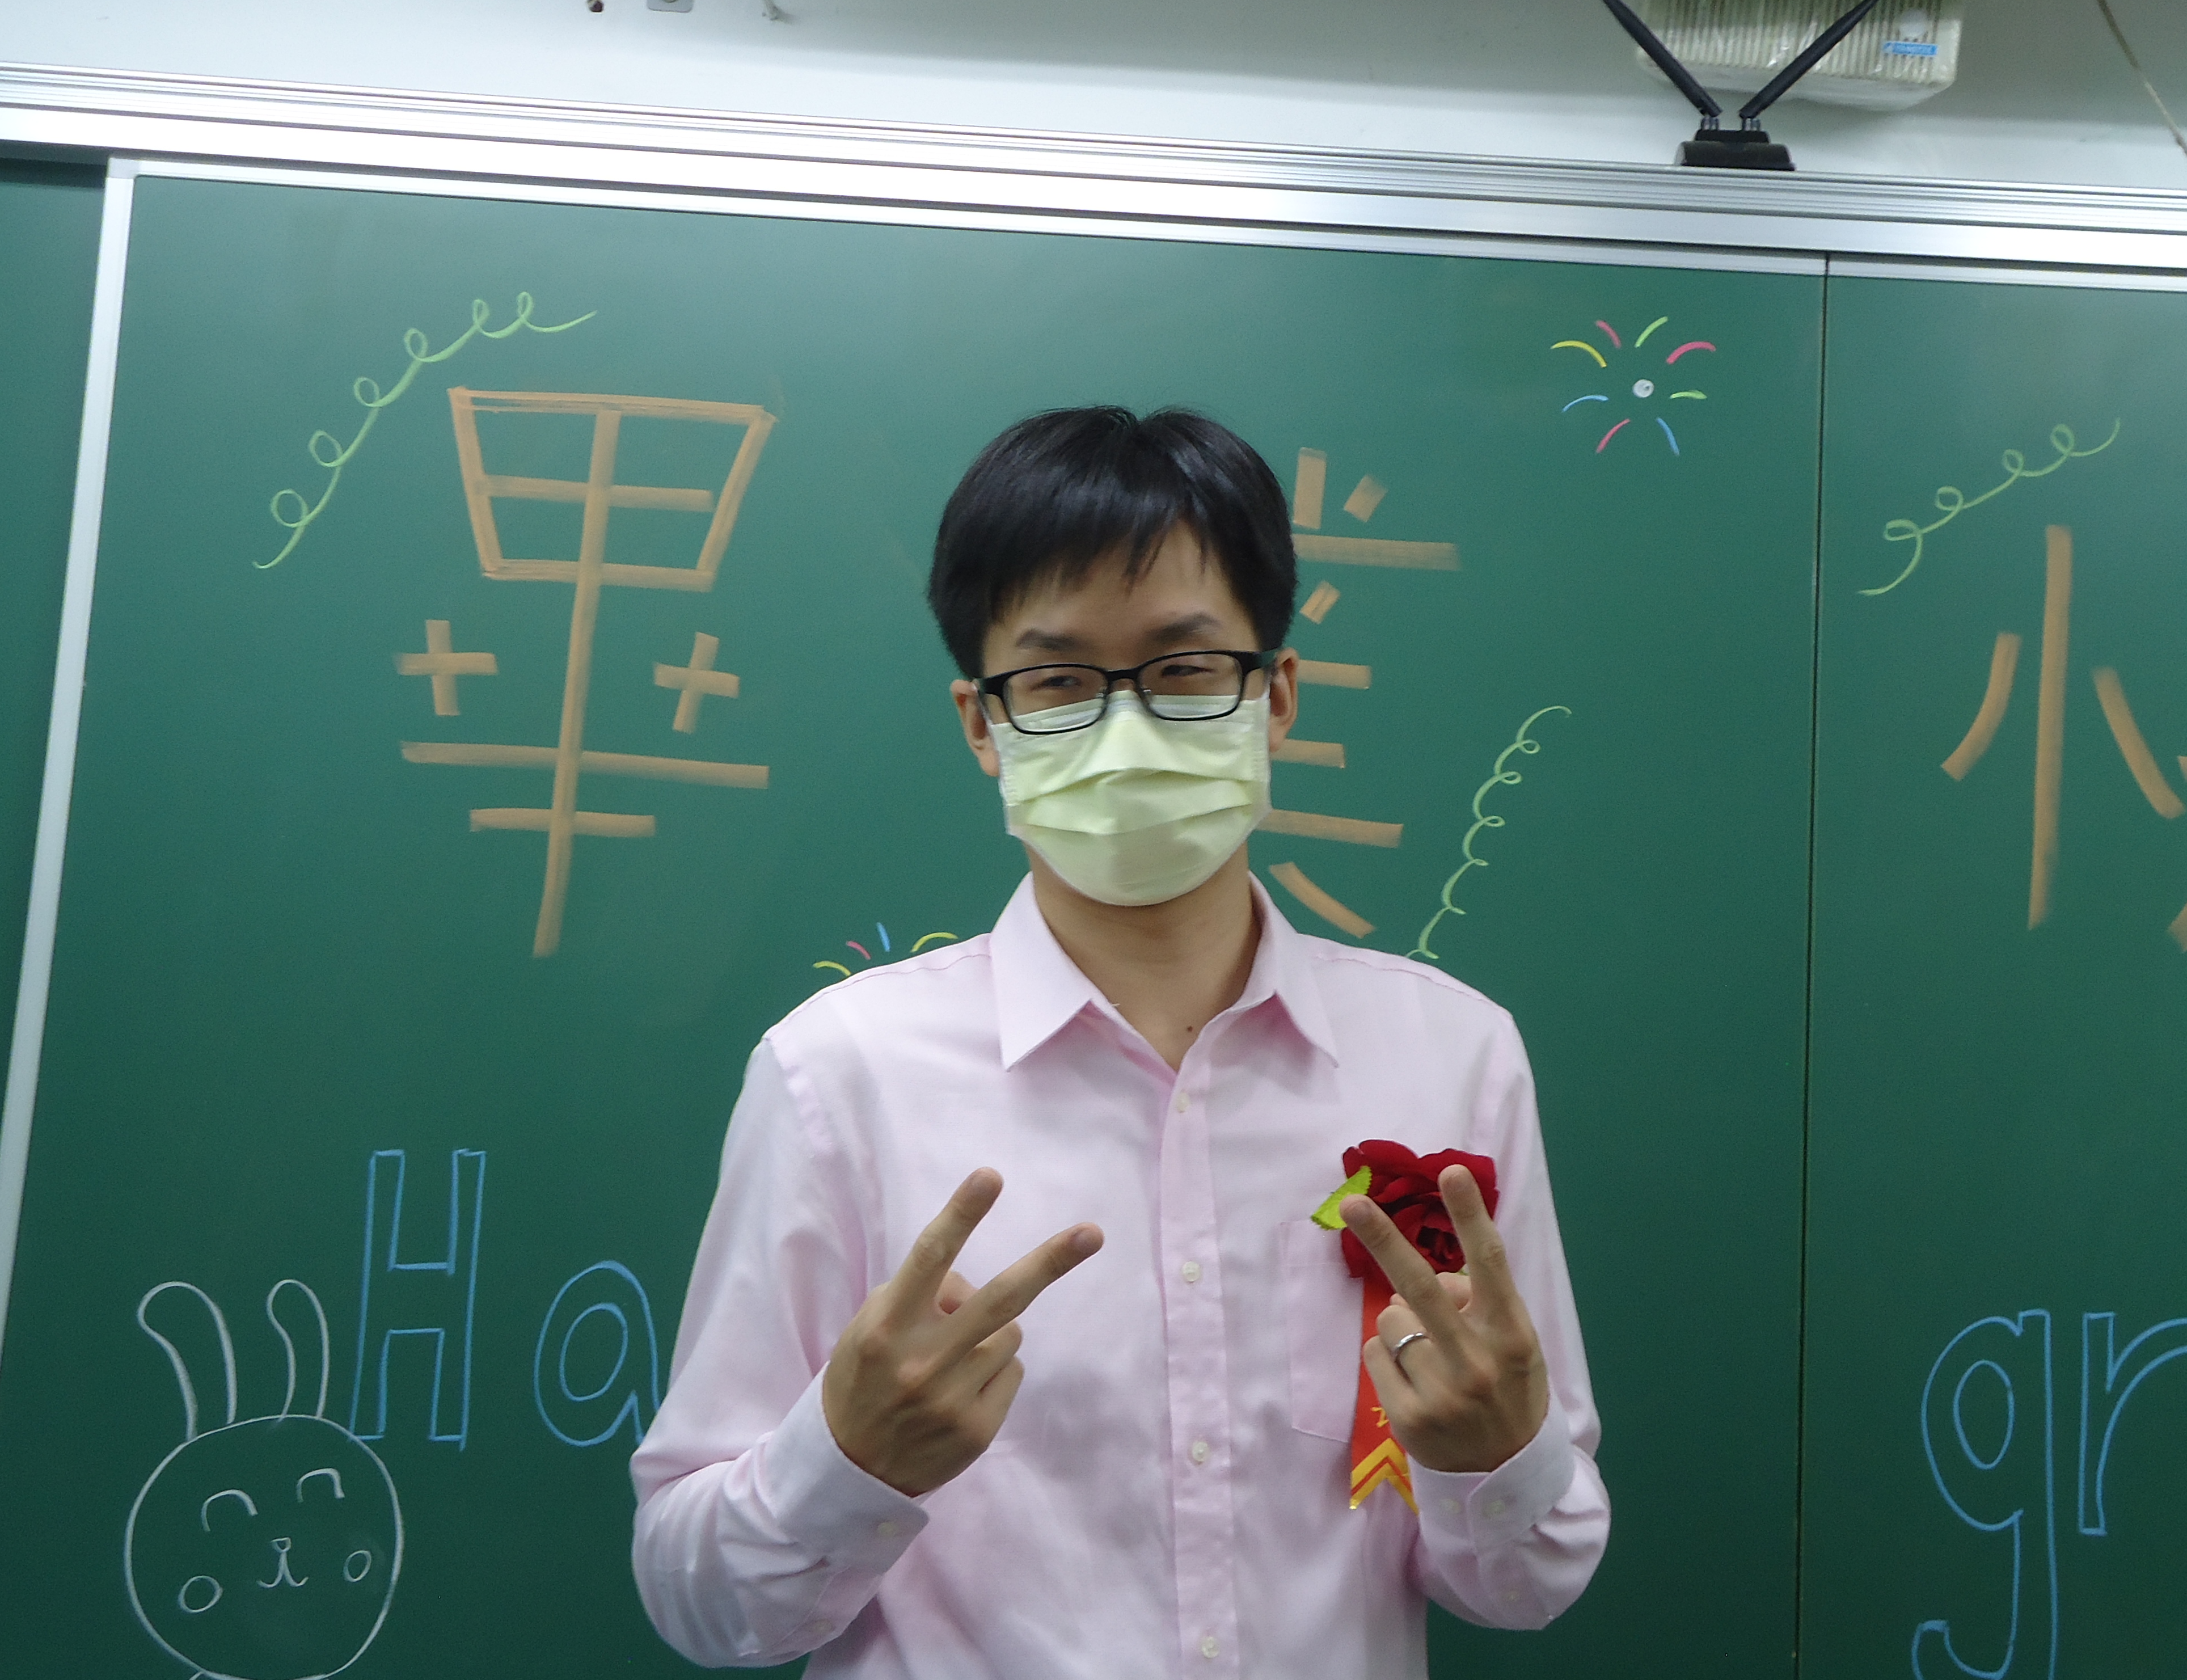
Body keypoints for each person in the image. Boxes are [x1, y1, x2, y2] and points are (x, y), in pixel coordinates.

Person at [630, 406, 1607, 1676]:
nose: (1126, 729)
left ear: (1277, 696)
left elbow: (1530, 1584)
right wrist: (847, 1462)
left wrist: (1495, 1457)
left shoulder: (1452, 1057)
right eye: (1058, 682)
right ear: (981, 724)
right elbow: (699, 1603)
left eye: (1184, 667)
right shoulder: (839, 1076)